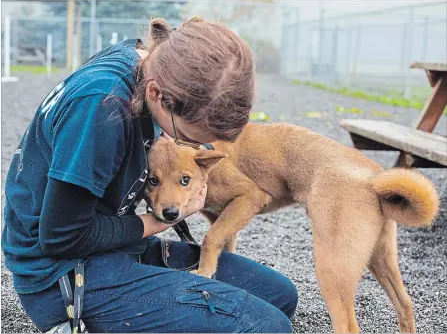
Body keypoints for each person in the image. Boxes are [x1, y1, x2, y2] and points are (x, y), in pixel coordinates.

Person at [2, 17, 298, 333]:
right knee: (266, 326)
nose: (198, 147)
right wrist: (162, 220)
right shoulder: (100, 105)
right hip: (61, 276)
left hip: (114, 248)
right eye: (191, 136)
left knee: (280, 296)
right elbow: (61, 236)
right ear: (156, 93)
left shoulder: (148, 60)